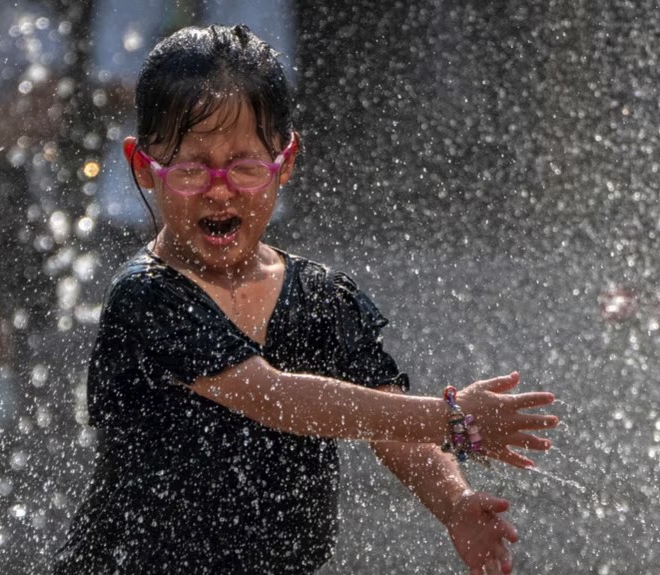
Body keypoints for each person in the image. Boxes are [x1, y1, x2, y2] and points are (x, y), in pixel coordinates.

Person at [53, 24, 558, 575]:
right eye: (192, 169)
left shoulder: (320, 297)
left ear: (285, 163)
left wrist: (454, 502)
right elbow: (275, 397)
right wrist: (450, 418)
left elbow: (389, 427)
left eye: (245, 167)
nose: (219, 189)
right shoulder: (148, 295)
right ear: (144, 168)